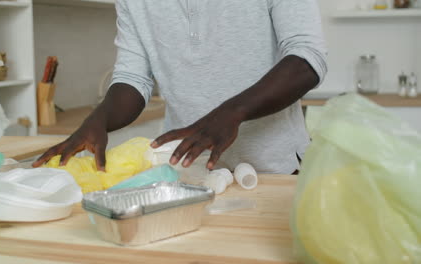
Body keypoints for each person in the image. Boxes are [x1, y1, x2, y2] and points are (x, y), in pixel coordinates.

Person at [33, 0, 327, 174]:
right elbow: (133, 79)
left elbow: (306, 59)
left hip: (277, 168)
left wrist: (231, 112)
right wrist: (98, 119)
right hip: (187, 174)